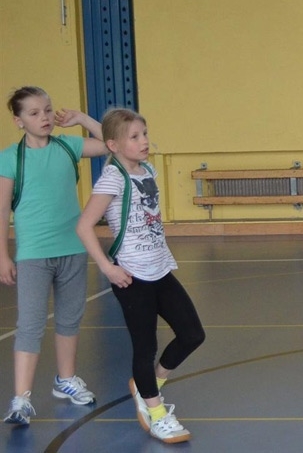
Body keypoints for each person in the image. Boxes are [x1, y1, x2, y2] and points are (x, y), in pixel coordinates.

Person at [76, 108, 205, 444]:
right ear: (115, 145)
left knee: (192, 334)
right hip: (131, 276)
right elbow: (84, 226)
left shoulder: (146, 169)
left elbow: (112, 135)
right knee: (145, 347)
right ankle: (156, 413)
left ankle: (150, 385)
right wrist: (108, 267)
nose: (144, 141)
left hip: (160, 268)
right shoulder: (113, 178)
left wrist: (83, 119)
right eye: (135, 137)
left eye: (144, 133)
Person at [0, 86, 108, 426]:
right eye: (34, 113)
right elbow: (2, 211)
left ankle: (66, 379)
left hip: (73, 248)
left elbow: (113, 144)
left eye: (47, 110)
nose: (44, 117)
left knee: (69, 319)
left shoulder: (68, 146)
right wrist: (3, 255)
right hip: (33, 254)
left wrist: (82, 119)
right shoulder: (10, 158)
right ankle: (21, 399)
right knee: (30, 325)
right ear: (19, 121)